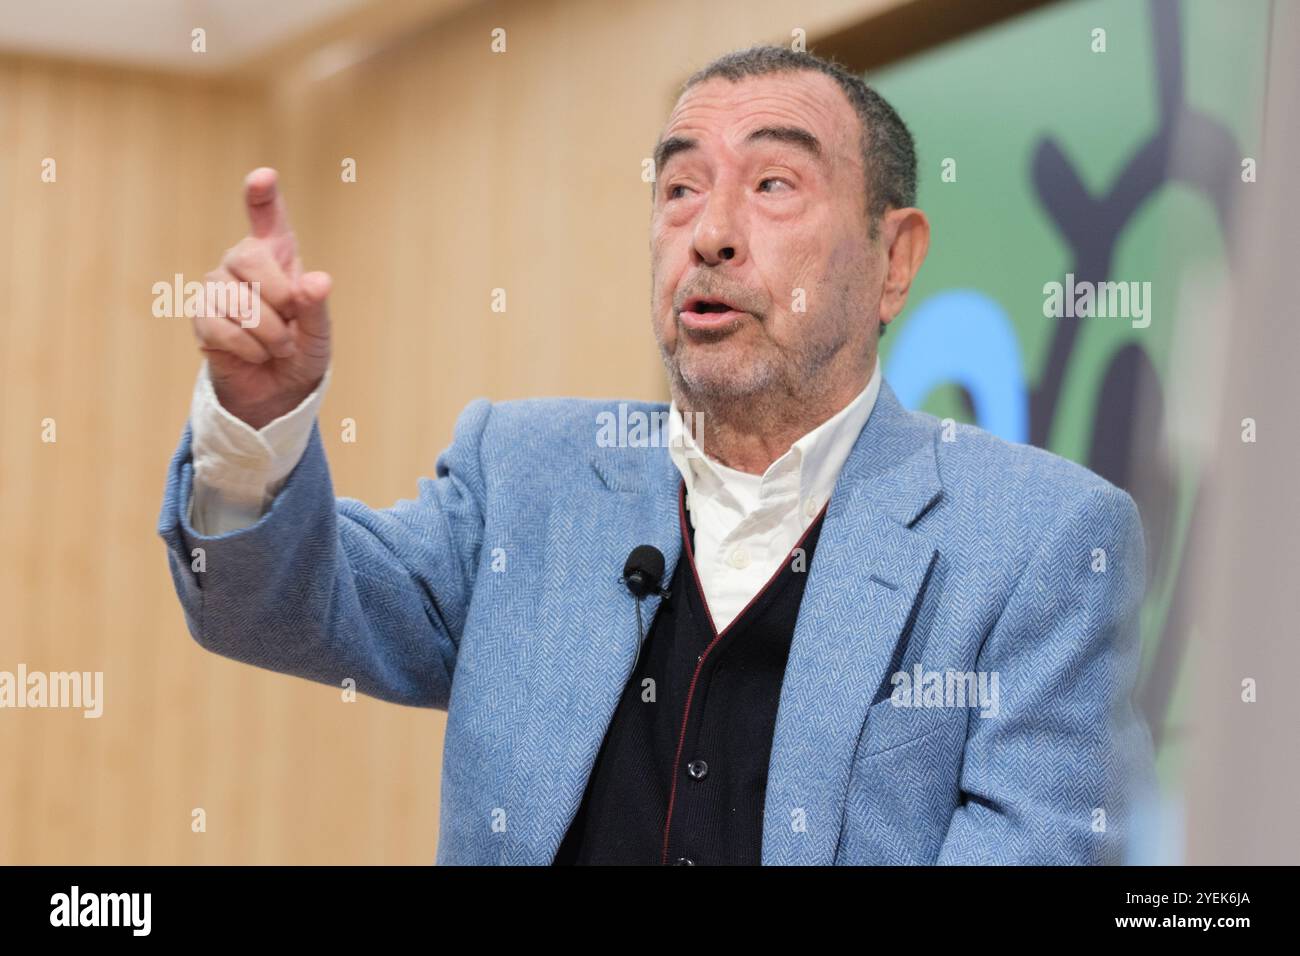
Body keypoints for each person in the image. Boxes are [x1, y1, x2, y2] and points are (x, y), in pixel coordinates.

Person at [158, 45, 1154, 865]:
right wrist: (260, 424)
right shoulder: (529, 475)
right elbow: (274, 606)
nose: (710, 233)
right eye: (679, 188)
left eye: (773, 184)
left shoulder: (1039, 539)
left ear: (893, 259)